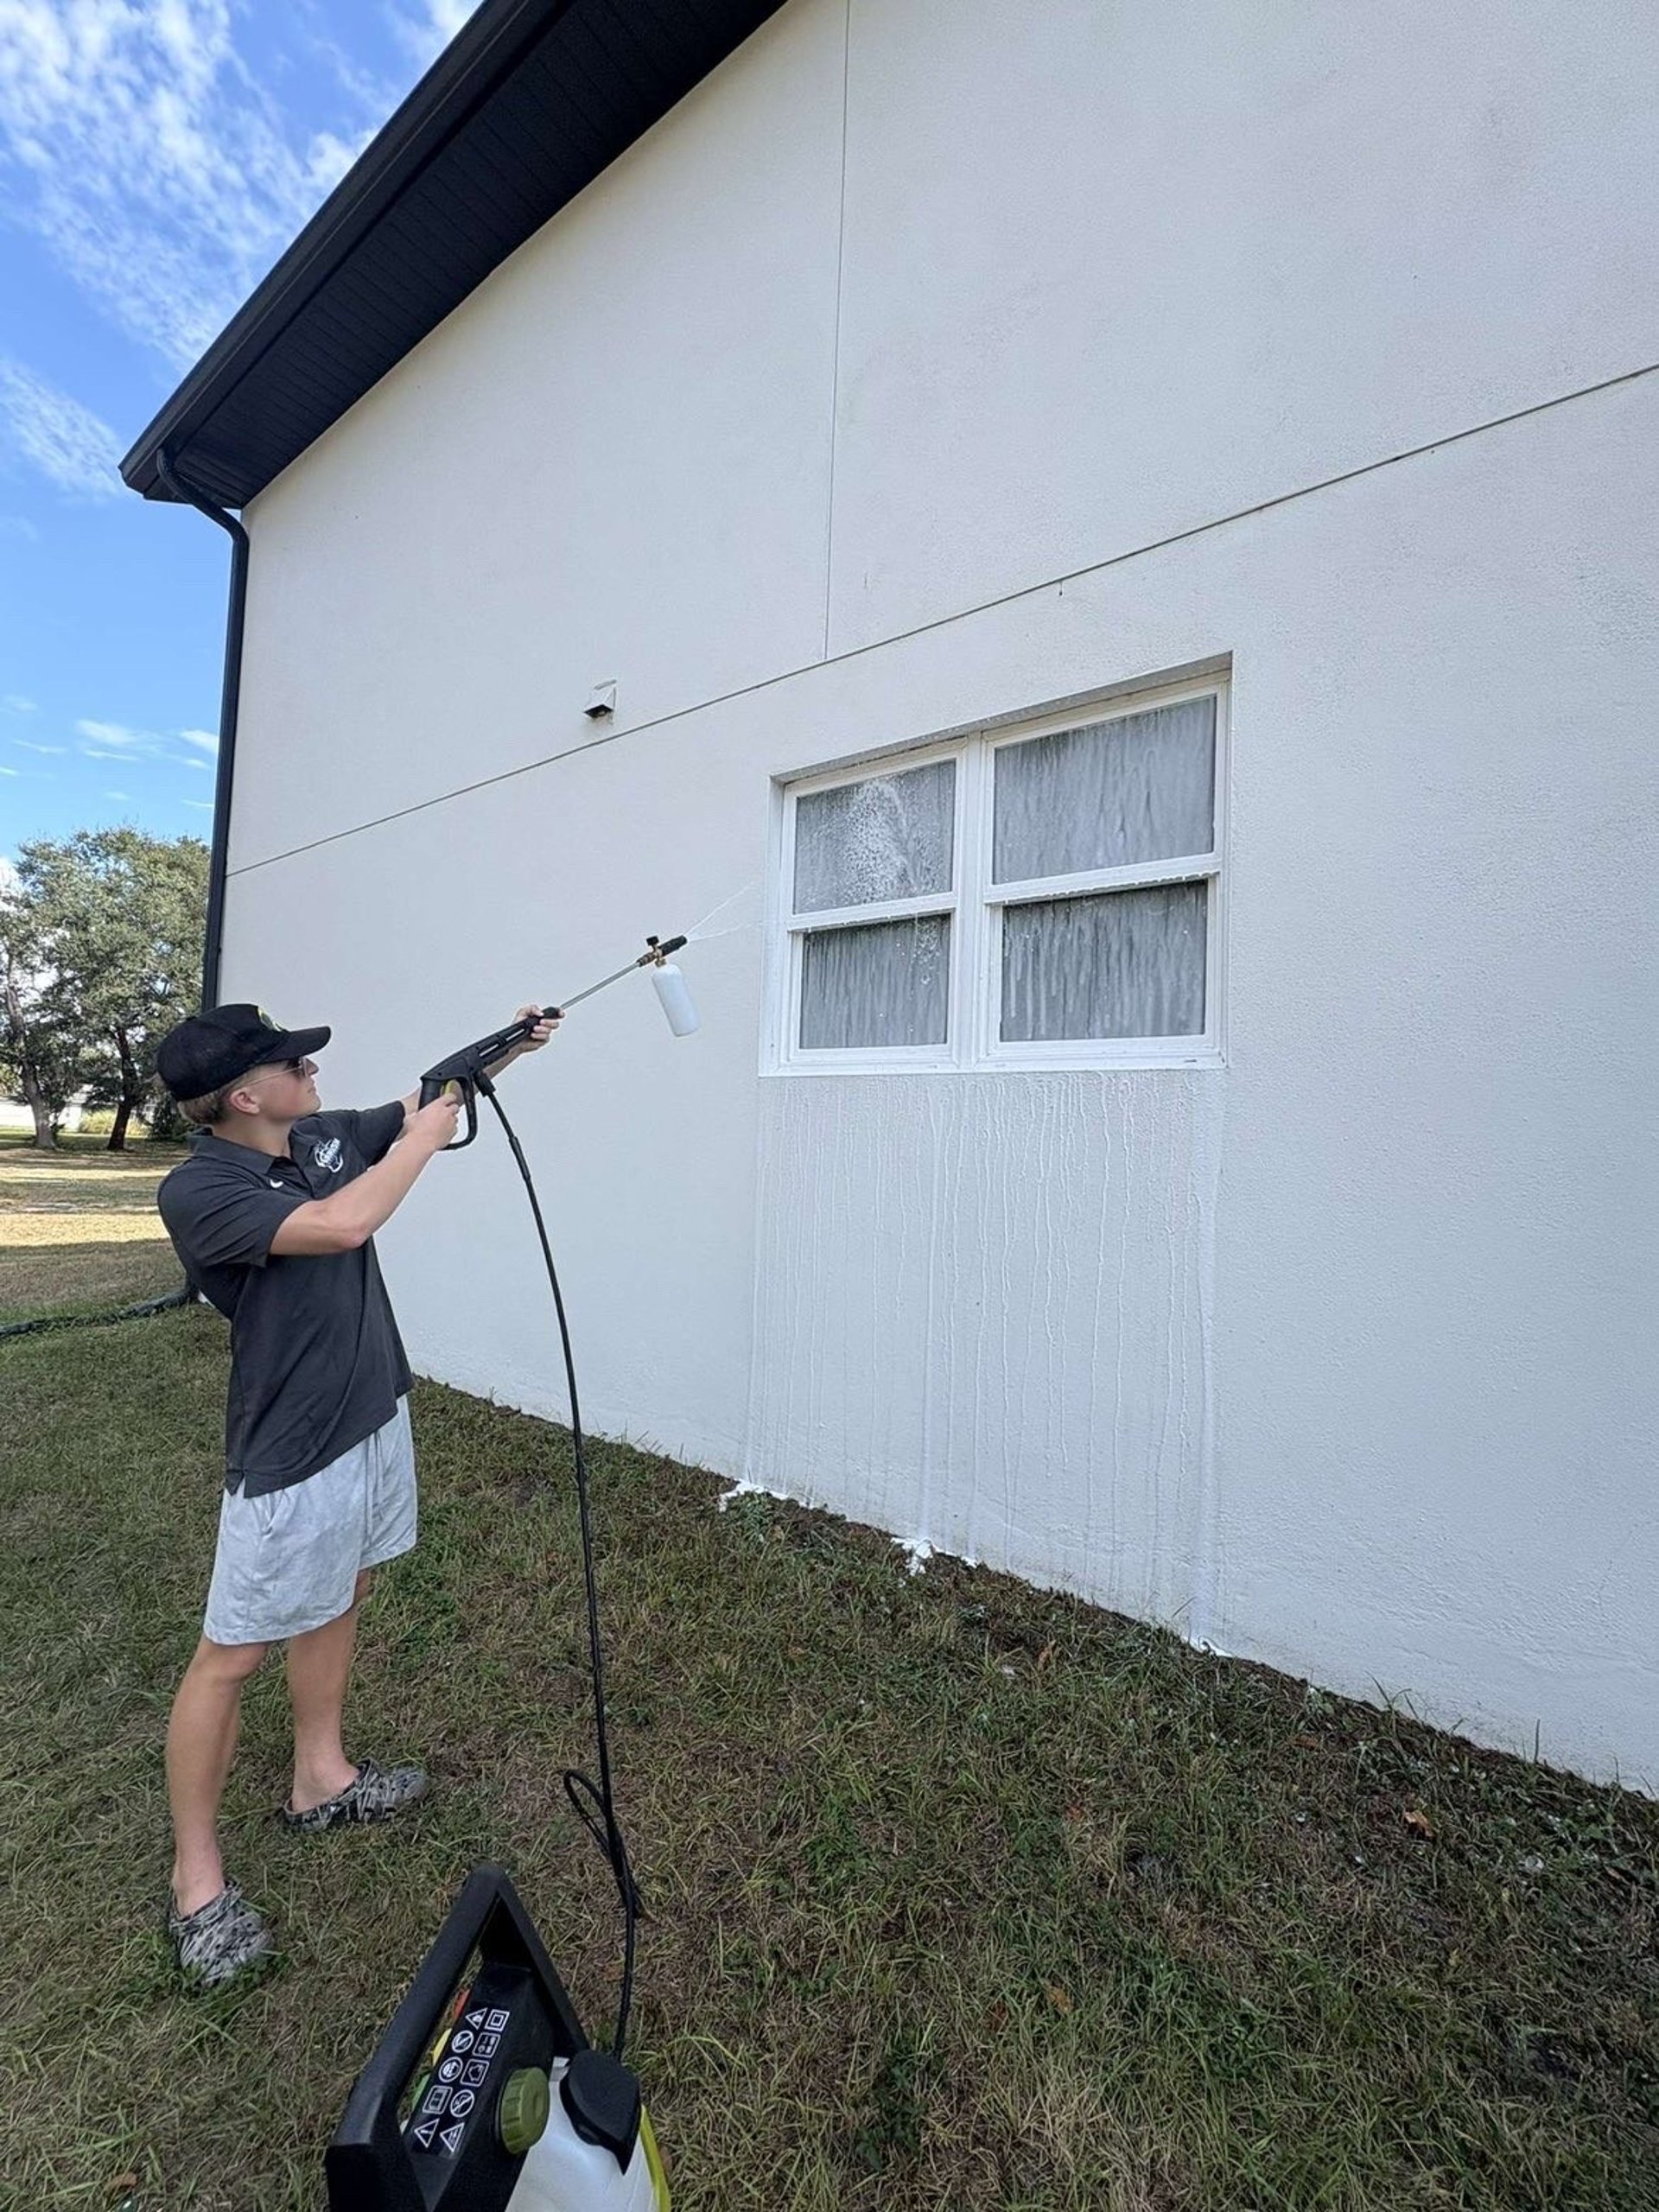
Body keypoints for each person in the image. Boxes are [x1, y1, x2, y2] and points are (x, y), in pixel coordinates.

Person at [152, 999, 557, 1986]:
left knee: (347, 1591)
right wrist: (423, 1141)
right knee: (231, 1653)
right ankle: (195, 1880)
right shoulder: (201, 1187)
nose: (313, 1072)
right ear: (245, 1096)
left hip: (374, 1409)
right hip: (291, 1446)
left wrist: (499, 1046)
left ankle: (318, 1778)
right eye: (294, 1065)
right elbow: (341, 1225)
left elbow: (419, 1096)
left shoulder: (318, 1134)